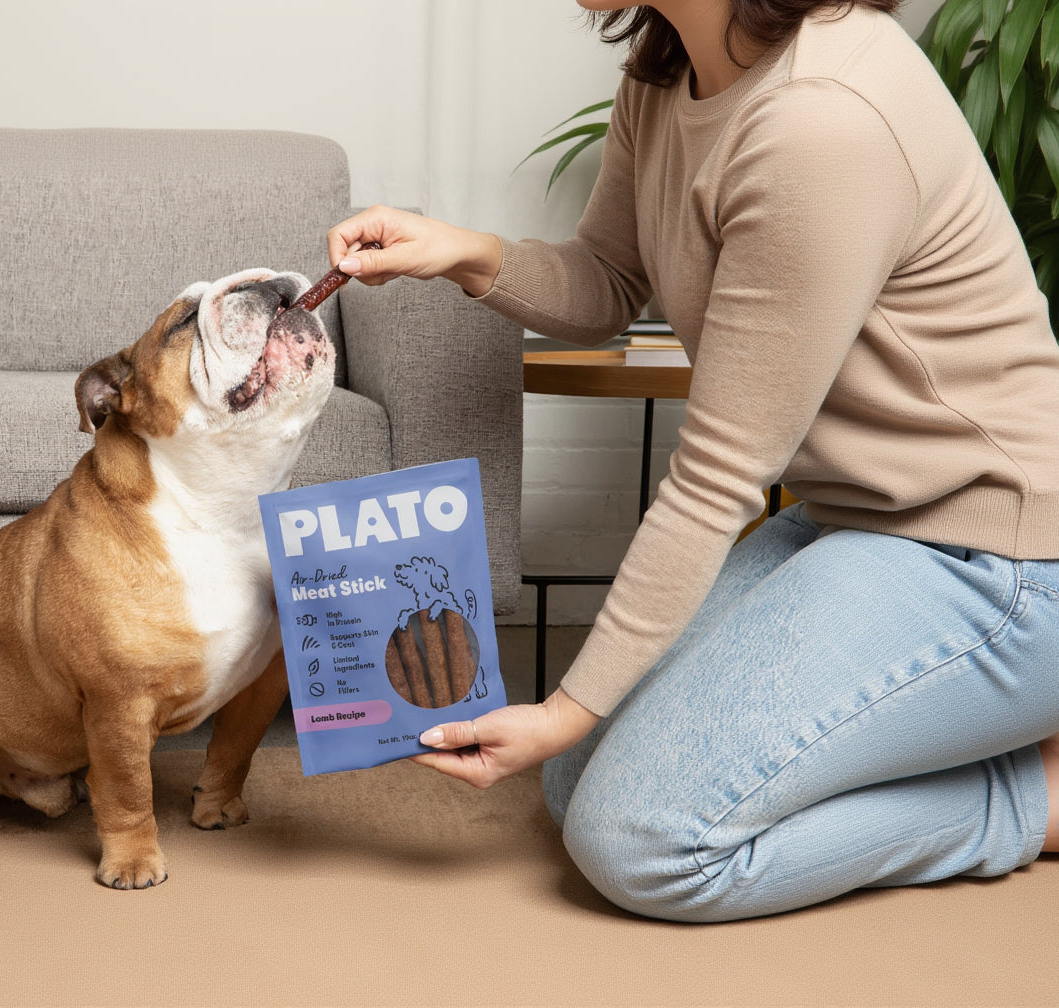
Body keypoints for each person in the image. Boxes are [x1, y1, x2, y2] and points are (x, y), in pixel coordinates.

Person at [327, 0, 1059, 922]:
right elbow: (608, 279)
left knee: (639, 842)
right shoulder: (669, 68)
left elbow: (717, 476)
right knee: (573, 780)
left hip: (999, 561)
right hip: (854, 521)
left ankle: (1032, 795)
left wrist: (560, 711)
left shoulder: (821, 119)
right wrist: (462, 253)